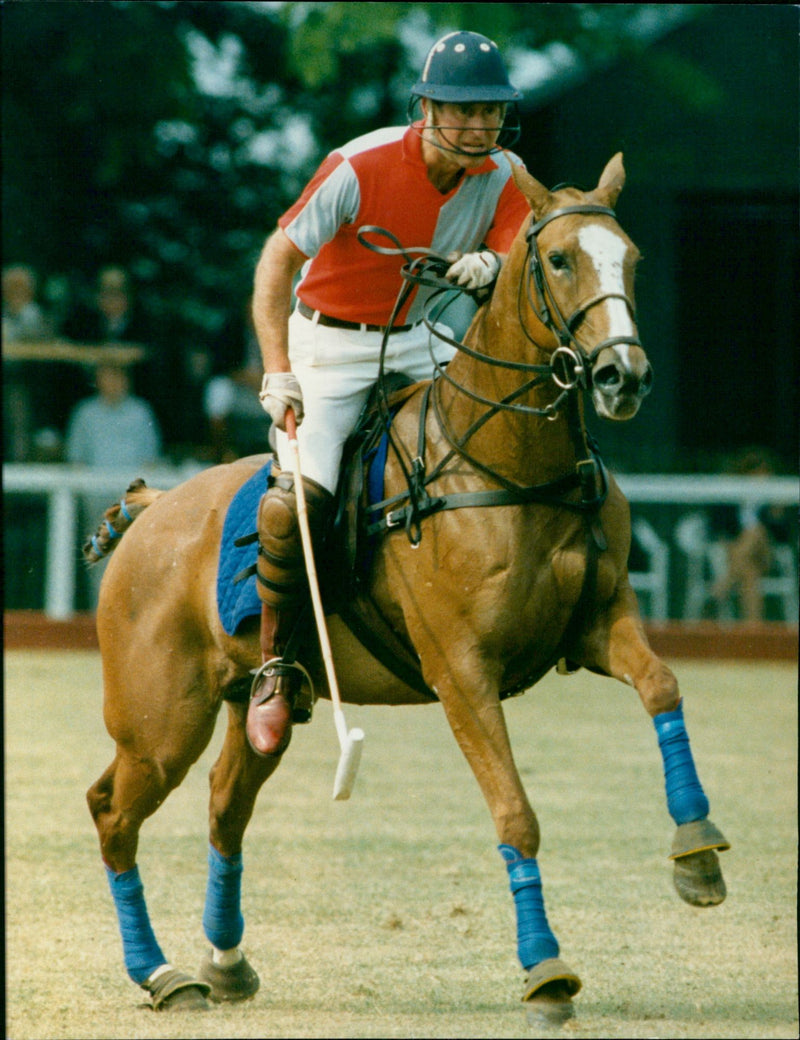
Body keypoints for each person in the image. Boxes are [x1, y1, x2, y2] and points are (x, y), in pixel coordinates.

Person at [245, 30, 531, 757]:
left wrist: (489, 265)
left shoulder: (504, 172)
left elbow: (525, 246)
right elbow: (277, 264)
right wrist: (277, 369)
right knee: (302, 494)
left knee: (493, 433)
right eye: (461, 111)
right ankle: (276, 667)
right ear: (426, 109)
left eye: (490, 112)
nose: (478, 127)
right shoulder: (357, 164)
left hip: (419, 334)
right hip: (330, 343)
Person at [66, 360, 163, 609]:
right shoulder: (84, 412)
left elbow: (151, 460)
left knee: (134, 560)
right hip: (96, 500)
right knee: (98, 561)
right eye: (107, 376)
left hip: (130, 503)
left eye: (118, 376)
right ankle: (98, 616)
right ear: (97, 380)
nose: (113, 383)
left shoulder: (141, 411)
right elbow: (76, 460)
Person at [709, 448, 795, 621]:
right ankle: (752, 630)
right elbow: (718, 529)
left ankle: (721, 587)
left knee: (757, 531)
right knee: (749, 574)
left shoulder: (774, 499)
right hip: (738, 555)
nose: (763, 478)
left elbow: (783, 537)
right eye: (758, 473)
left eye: (766, 473)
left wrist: (776, 512)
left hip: (767, 553)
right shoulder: (732, 499)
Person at [2, 264, 54, 460]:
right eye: (11, 287)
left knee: (17, 404)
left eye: (21, 287)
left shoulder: (41, 316)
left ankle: (20, 460)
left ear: (31, 291)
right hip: (9, 381)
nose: (16, 292)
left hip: (32, 387)